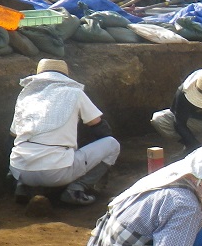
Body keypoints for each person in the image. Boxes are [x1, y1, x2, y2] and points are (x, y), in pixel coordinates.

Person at [9, 58, 121, 205]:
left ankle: (23, 187)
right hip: (56, 173)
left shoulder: (26, 96)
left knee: (22, 145)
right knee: (112, 145)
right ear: (64, 77)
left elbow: (13, 135)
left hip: (19, 170)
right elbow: (99, 127)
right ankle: (76, 189)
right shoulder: (74, 93)